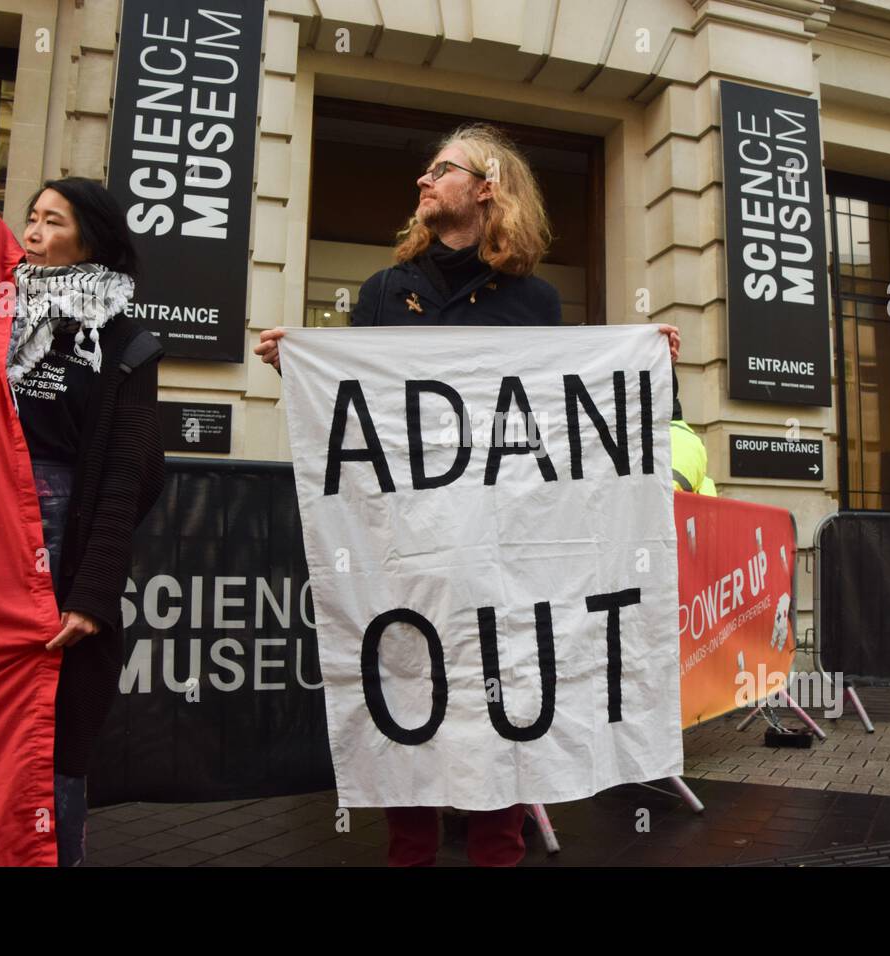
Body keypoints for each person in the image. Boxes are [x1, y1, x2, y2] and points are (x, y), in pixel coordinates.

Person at [255, 123, 679, 866]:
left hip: (502, 552)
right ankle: (410, 853)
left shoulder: (535, 302)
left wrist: (642, 366)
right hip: (409, 550)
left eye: (440, 170)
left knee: (505, 697)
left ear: (486, 188)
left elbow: (556, 420)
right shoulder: (386, 291)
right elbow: (365, 414)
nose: (423, 182)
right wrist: (302, 369)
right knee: (409, 689)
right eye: (424, 172)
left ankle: (497, 851)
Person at [0, 178, 165, 867]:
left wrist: (93, 593)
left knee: (50, 733)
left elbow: (128, 474)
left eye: (53, 222)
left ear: (90, 241)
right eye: (29, 220)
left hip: (59, 557)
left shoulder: (125, 342)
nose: (34, 232)